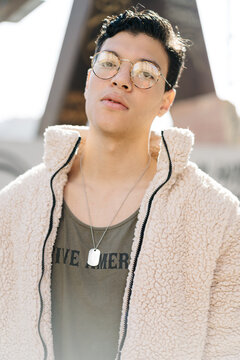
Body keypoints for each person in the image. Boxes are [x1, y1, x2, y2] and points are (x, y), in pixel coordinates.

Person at [0, 8, 239, 360]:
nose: (121, 79)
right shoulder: (16, 206)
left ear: (165, 102)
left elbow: (227, 344)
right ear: (88, 80)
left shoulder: (218, 217)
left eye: (145, 73)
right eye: (109, 63)